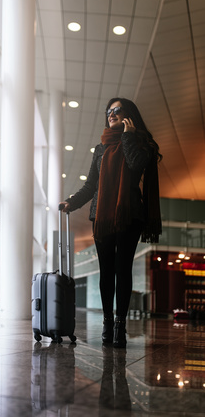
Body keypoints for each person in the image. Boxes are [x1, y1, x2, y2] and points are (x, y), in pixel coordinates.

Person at [59, 97, 162, 348]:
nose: (111, 114)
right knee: (106, 271)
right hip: (102, 216)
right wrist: (72, 202)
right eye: (108, 111)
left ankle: (120, 326)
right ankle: (107, 323)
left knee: (122, 269)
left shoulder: (142, 144)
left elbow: (137, 164)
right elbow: (92, 185)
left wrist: (128, 135)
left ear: (129, 114)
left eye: (116, 110)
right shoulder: (101, 148)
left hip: (130, 215)